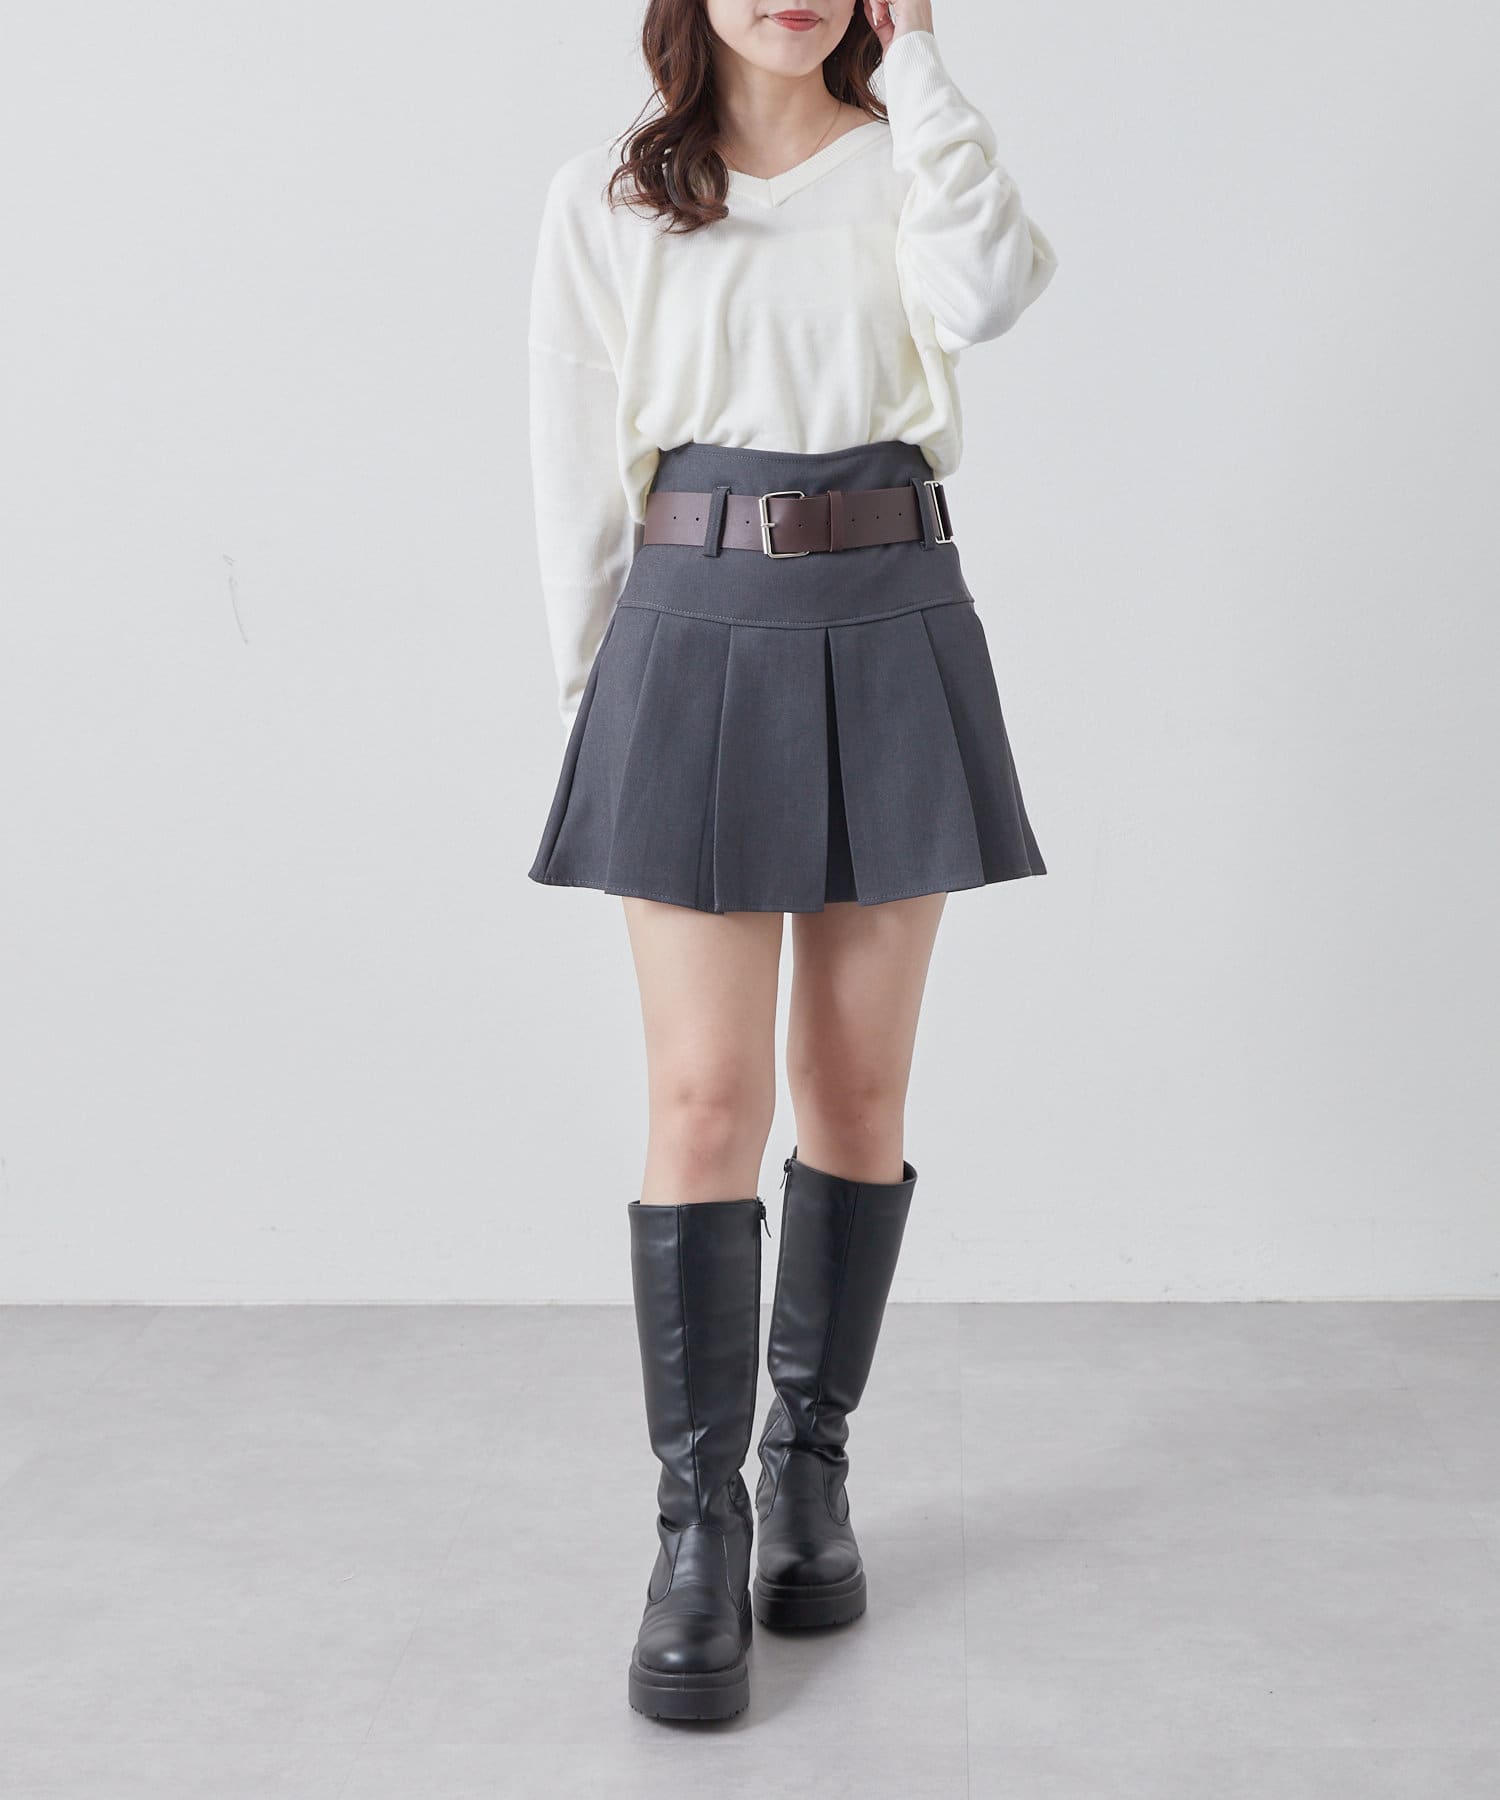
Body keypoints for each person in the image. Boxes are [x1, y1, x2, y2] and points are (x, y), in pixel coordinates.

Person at [524, 0, 1057, 1722]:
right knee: (701, 1098)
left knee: (856, 1088)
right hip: (687, 635)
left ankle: (807, 1464)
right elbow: (573, 475)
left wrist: (924, 68)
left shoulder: (915, 161)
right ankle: (697, 1525)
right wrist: (597, 708)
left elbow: (990, 293)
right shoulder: (609, 197)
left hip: (891, 616)